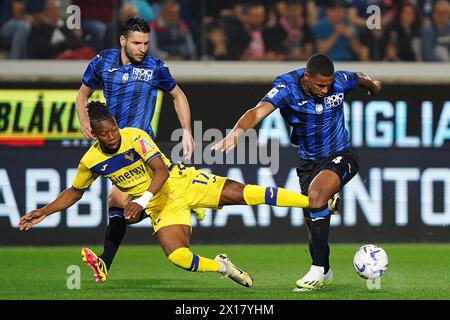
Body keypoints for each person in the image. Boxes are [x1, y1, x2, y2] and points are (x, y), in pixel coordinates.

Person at [18, 101, 335, 287]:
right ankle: (223, 267)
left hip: (180, 183)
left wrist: (139, 201)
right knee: (178, 257)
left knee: (245, 193)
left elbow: (160, 170)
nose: (113, 135)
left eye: (114, 128)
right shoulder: (91, 160)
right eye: (106, 133)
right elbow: (75, 192)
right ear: (94, 134)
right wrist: (42, 211)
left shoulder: (135, 137)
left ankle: (315, 201)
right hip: (161, 208)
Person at [213, 54, 382, 291]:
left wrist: (373, 85)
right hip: (308, 163)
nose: (325, 90)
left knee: (317, 196)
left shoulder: (339, 81)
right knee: (313, 223)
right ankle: (325, 271)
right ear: (307, 77)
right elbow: (258, 111)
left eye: (329, 84)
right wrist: (237, 132)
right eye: (320, 85)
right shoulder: (287, 88)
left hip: (342, 153)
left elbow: (360, 79)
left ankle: (315, 270)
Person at [75, 17, 196, 282]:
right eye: (136, 43)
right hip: (116, 146)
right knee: (119, 202)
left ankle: (106, 261)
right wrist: (85, 121)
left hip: (142, 148)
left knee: (117, 200)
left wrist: (186, 130)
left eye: (145, 43)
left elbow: (178, 95)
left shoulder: (155, 67)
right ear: (123, 41)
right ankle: (169, 205)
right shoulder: (102, 63)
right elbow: (82, 94)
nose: (143, 48)